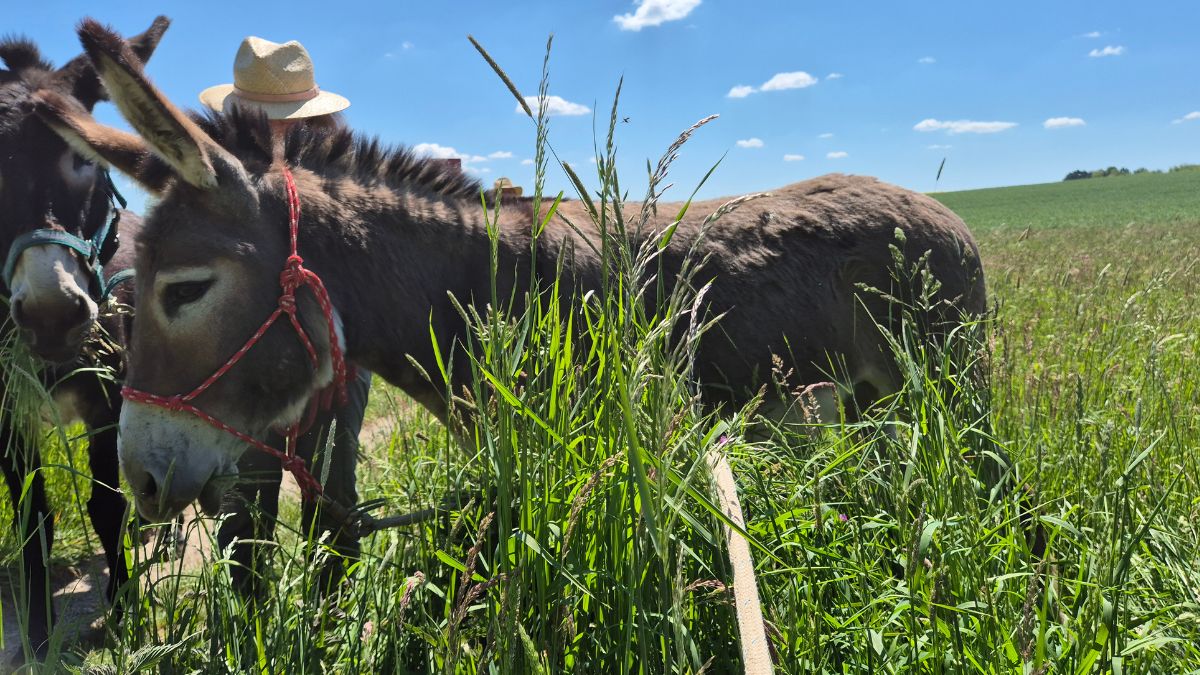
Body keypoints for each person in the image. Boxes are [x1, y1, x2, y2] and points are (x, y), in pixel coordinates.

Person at [199, 36, 371, 595]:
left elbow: (363, 286)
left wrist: (333, 363)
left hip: (336, 364)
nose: (271, 133)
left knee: (332, 493)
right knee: (245, 501)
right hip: (247, 368)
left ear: (312, 124)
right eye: (259, 121)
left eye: (283, 122)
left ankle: (330, 615)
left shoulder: (345, 185)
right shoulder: (219, 188)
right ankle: (247, 617)